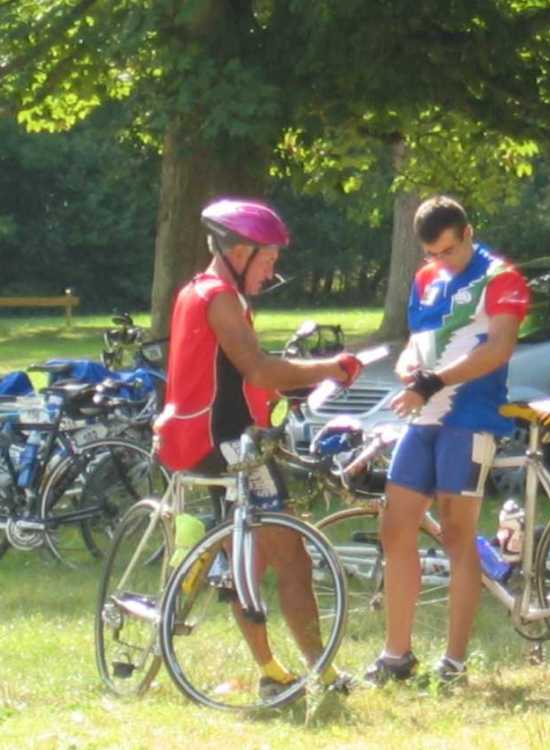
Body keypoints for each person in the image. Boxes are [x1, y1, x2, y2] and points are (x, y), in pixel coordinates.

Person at [153, 197, 361, 698]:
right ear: (239, 251)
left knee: (248, 558)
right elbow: (258, 369)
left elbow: (233, 375)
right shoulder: (220, 298)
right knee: (290, 556)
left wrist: (290, 385)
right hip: (228, 444)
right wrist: (331, 368)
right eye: (267, 260)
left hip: (203, 439)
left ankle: (272, 669)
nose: (272, 272)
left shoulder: (197, 291)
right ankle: (319, 671)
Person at [365, 195, 530, 685]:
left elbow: (498, 348)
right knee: (396, 528)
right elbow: (416, 342)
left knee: (458, 536)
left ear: (468, 233)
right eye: (433, 254)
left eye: (450, 251)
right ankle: (396, 655)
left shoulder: (500, 277)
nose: (442, 261)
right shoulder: (425, 278)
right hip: (423, 417)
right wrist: (408, 368)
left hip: (470, 417)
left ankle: (454, 662)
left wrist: (434, 381)